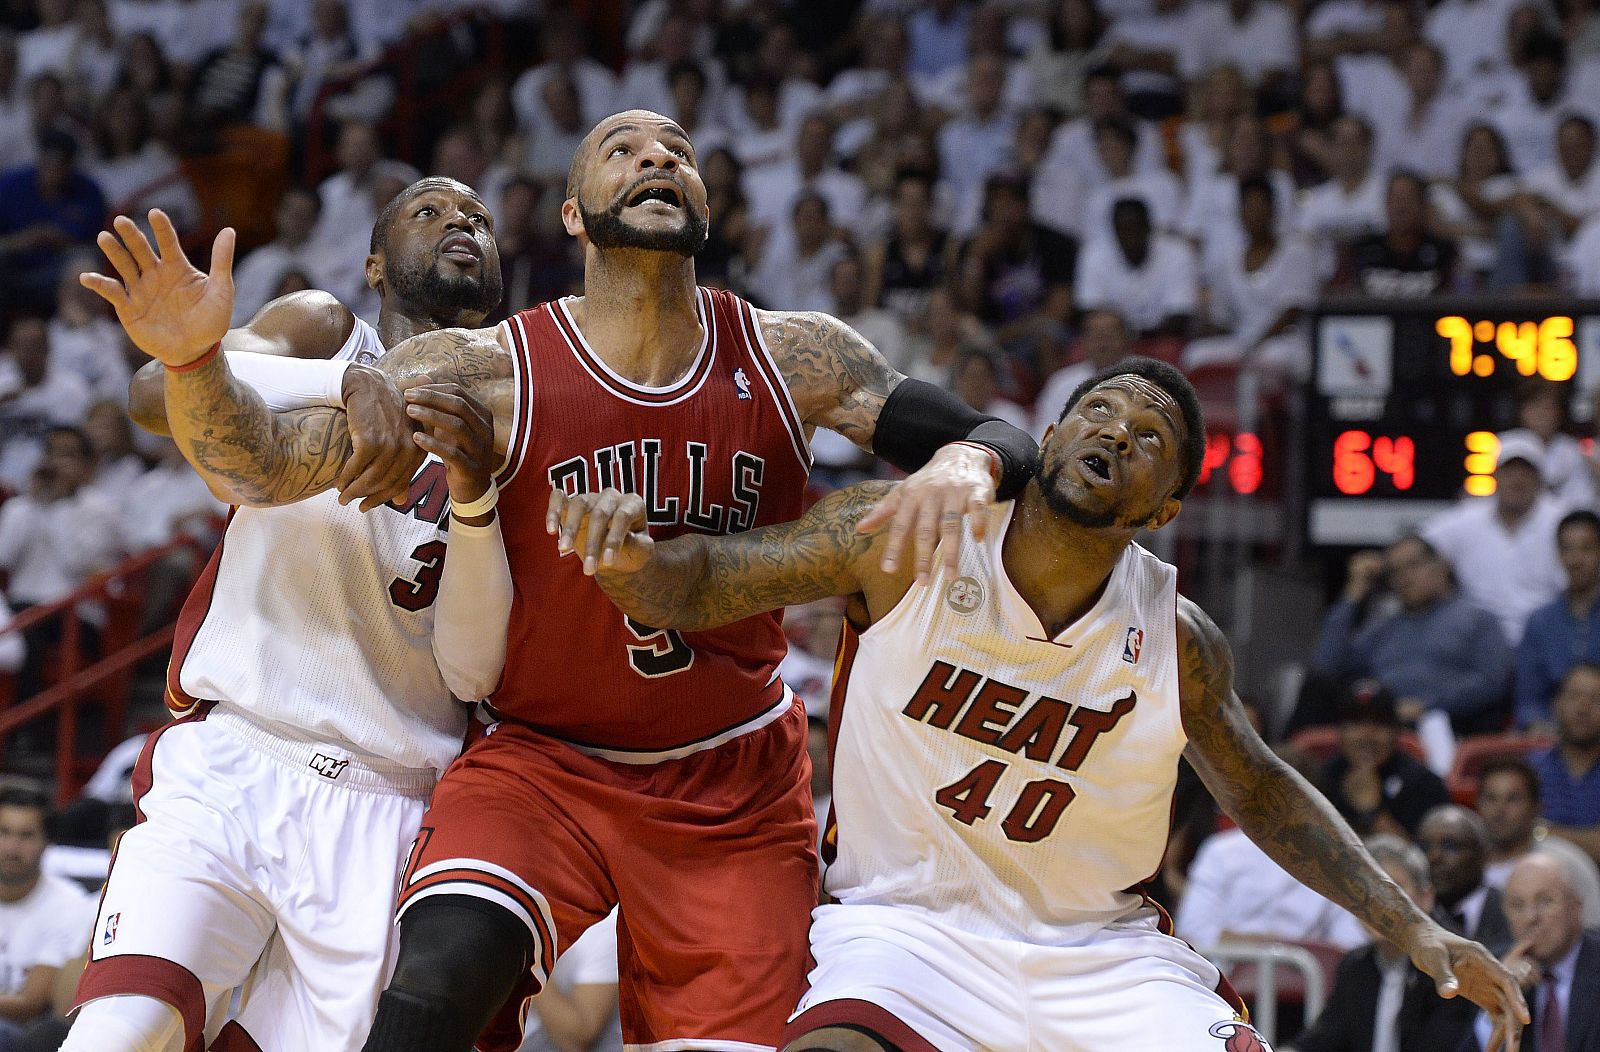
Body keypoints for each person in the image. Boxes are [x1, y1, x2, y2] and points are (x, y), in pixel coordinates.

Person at [92, 110, 1041, 1052]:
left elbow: (996, 437)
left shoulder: (796, 355)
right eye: (622, 151)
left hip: (728, 777)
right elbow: (259, 466)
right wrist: (193, 359)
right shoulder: (488, 371)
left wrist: (972, 463)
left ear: (708, 207)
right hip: (540, 763)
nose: (655, 159)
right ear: (574, 217)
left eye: (677, 153)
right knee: (430, 1000)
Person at [555, 356, 1529, 1051]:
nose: (1117, 433)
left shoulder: (1175, 633)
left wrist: (1416, 928)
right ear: (1049, 436)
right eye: (1100, 411)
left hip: (1098, 952)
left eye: (1149, 438)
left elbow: (1264, 790)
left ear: (1162, 507)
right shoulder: (899, 537)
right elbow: (698, 584)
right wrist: (629, 554)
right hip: (907, 929)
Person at [60, 180, 517, 1051]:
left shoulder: (512, 415)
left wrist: (472, 486)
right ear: (376, 263)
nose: (462, 222)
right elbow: (159, 389)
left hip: (391, 800)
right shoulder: (326, 327)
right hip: (239, 759)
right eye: (430, 212)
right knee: (123, 1029)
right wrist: (348, 380)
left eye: (481, 220)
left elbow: (480, 669)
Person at [1283, 835, 1478, 1052]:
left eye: (1394, 888)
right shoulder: (1356, 966)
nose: (1377, 903)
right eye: (1365, 889)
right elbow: (1321, 1040)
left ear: (1425, 897)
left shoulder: (1451, 966)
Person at [1310, 537, 1512, 733]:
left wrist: (1427, 704)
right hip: (1382, 725)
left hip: (1448, 724)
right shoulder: (1382, 627)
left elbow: (1491, 682)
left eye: (1413, 565)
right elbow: (1327, 665)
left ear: (1441, 566)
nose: (1404, 578)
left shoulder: (1478, 620)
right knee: (1314, 690)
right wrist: (1353, 593)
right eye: (1395, 572)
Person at [1422, 430, 1565, 648]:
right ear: (1495, 475)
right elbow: (1417, 546)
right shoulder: (1469, 518)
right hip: (1476, 641)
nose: (1517, 479)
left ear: (1539, 478)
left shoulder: (1562, 522)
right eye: (1509, 470)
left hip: (1545, 639)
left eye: (1526, 472)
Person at [1466, 853, 1600, 1050]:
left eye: (1545, 901)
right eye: (1518, 905)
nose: (1531, 917)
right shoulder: (1490, 967)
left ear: (1575, 907)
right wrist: (1500, 1002)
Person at [0, 786, 95, 1049]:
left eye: (26, 836)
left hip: (25, 1034)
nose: (11, 847)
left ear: (47, 842)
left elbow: (31, 1004)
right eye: (3, 832)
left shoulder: (71, 905)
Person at [1475, 758, 1600, 924]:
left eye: (1513, 799)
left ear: (1537, 807)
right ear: (1477, 805)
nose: (1499, 810)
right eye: (1491, 798)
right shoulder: (1464, 867)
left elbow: (1593, 933)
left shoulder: (1567, 865)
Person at [1323, 679, 1452, 837]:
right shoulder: (1323, 778)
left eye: (1379, 723)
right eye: (1356, 722)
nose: (1367, 735)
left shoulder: (1424, 784)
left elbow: (1423, 859)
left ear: (1396, 732)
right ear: (1340, 732)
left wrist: (1371, 812)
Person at [1517, 509, 1600, 730]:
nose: (1575, 560)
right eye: (1567, 549)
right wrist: (1537, 723)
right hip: (1553, 736)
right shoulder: (1540, 622)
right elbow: (1527, 699)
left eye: (1586, 548)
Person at [1419, 805, 1514, 953]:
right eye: (1425, 847)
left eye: (1450, 846)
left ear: (1483, 854)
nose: (1434, 857)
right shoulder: (1415, 913)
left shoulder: (1509, 910)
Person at [1530, 663, 1600, 865]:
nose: (1583, 707)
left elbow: (1529, 834)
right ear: (1556, 704)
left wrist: (1543, 832)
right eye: (1574, 696)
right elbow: (1511, 836)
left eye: (1595, 699)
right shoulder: (1530, 770)